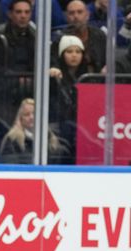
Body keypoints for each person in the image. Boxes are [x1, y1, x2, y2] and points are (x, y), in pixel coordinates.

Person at [49, 35, 88, 163]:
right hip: (60, 122)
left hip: (82, 123)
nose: (74, 55)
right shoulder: (54, 75)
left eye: (78, 52)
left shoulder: (88, 76)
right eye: (69, 51)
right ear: (62, 54)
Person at [0, 98, 64, 164]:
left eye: (34, 113)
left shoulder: (50, 137)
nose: (31, 117)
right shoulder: (12, 138)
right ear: (20, 118)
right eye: (27, 114)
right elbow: (10, 168)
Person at [52, 0, 106, 74]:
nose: (76, 16)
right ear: (67, 17)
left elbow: (108, 60)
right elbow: (55, 65)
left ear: (87, 15)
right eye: (71, 13)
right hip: (69, 82)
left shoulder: (100, 36)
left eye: (80, 12)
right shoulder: (60, 39)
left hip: (97, 81)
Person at [0, 0, 36, 73]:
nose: (23, 16)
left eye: (27, 12)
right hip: (5, 80)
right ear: (10, 14)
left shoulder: (35, 35)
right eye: (18, 12)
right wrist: (15, 78)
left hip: (32, 80)